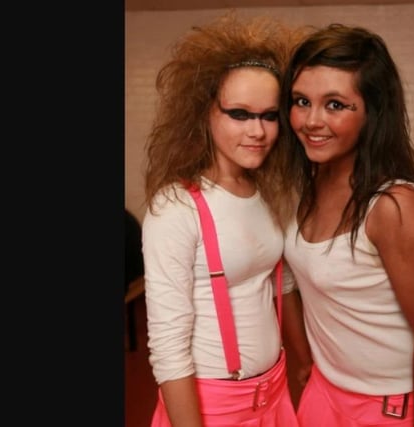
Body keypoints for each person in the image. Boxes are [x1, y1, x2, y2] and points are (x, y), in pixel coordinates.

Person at [279, 23, 414, 426]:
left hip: (388, 405)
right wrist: (308, 363)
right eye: (301, 101)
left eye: (335, 105)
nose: (311, 120)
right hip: (327, 393)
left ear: (372, 113)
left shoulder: (394, 206)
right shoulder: (310, 183)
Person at [141, 12, 306, 427]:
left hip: (275, 392)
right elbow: (168, 349)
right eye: (239, 114)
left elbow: (281, 282)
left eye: (270, 116)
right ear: (205, 114)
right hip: (214, 408)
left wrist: (303, 364)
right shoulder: (176, 208)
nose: (258, 131)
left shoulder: (270, 193)